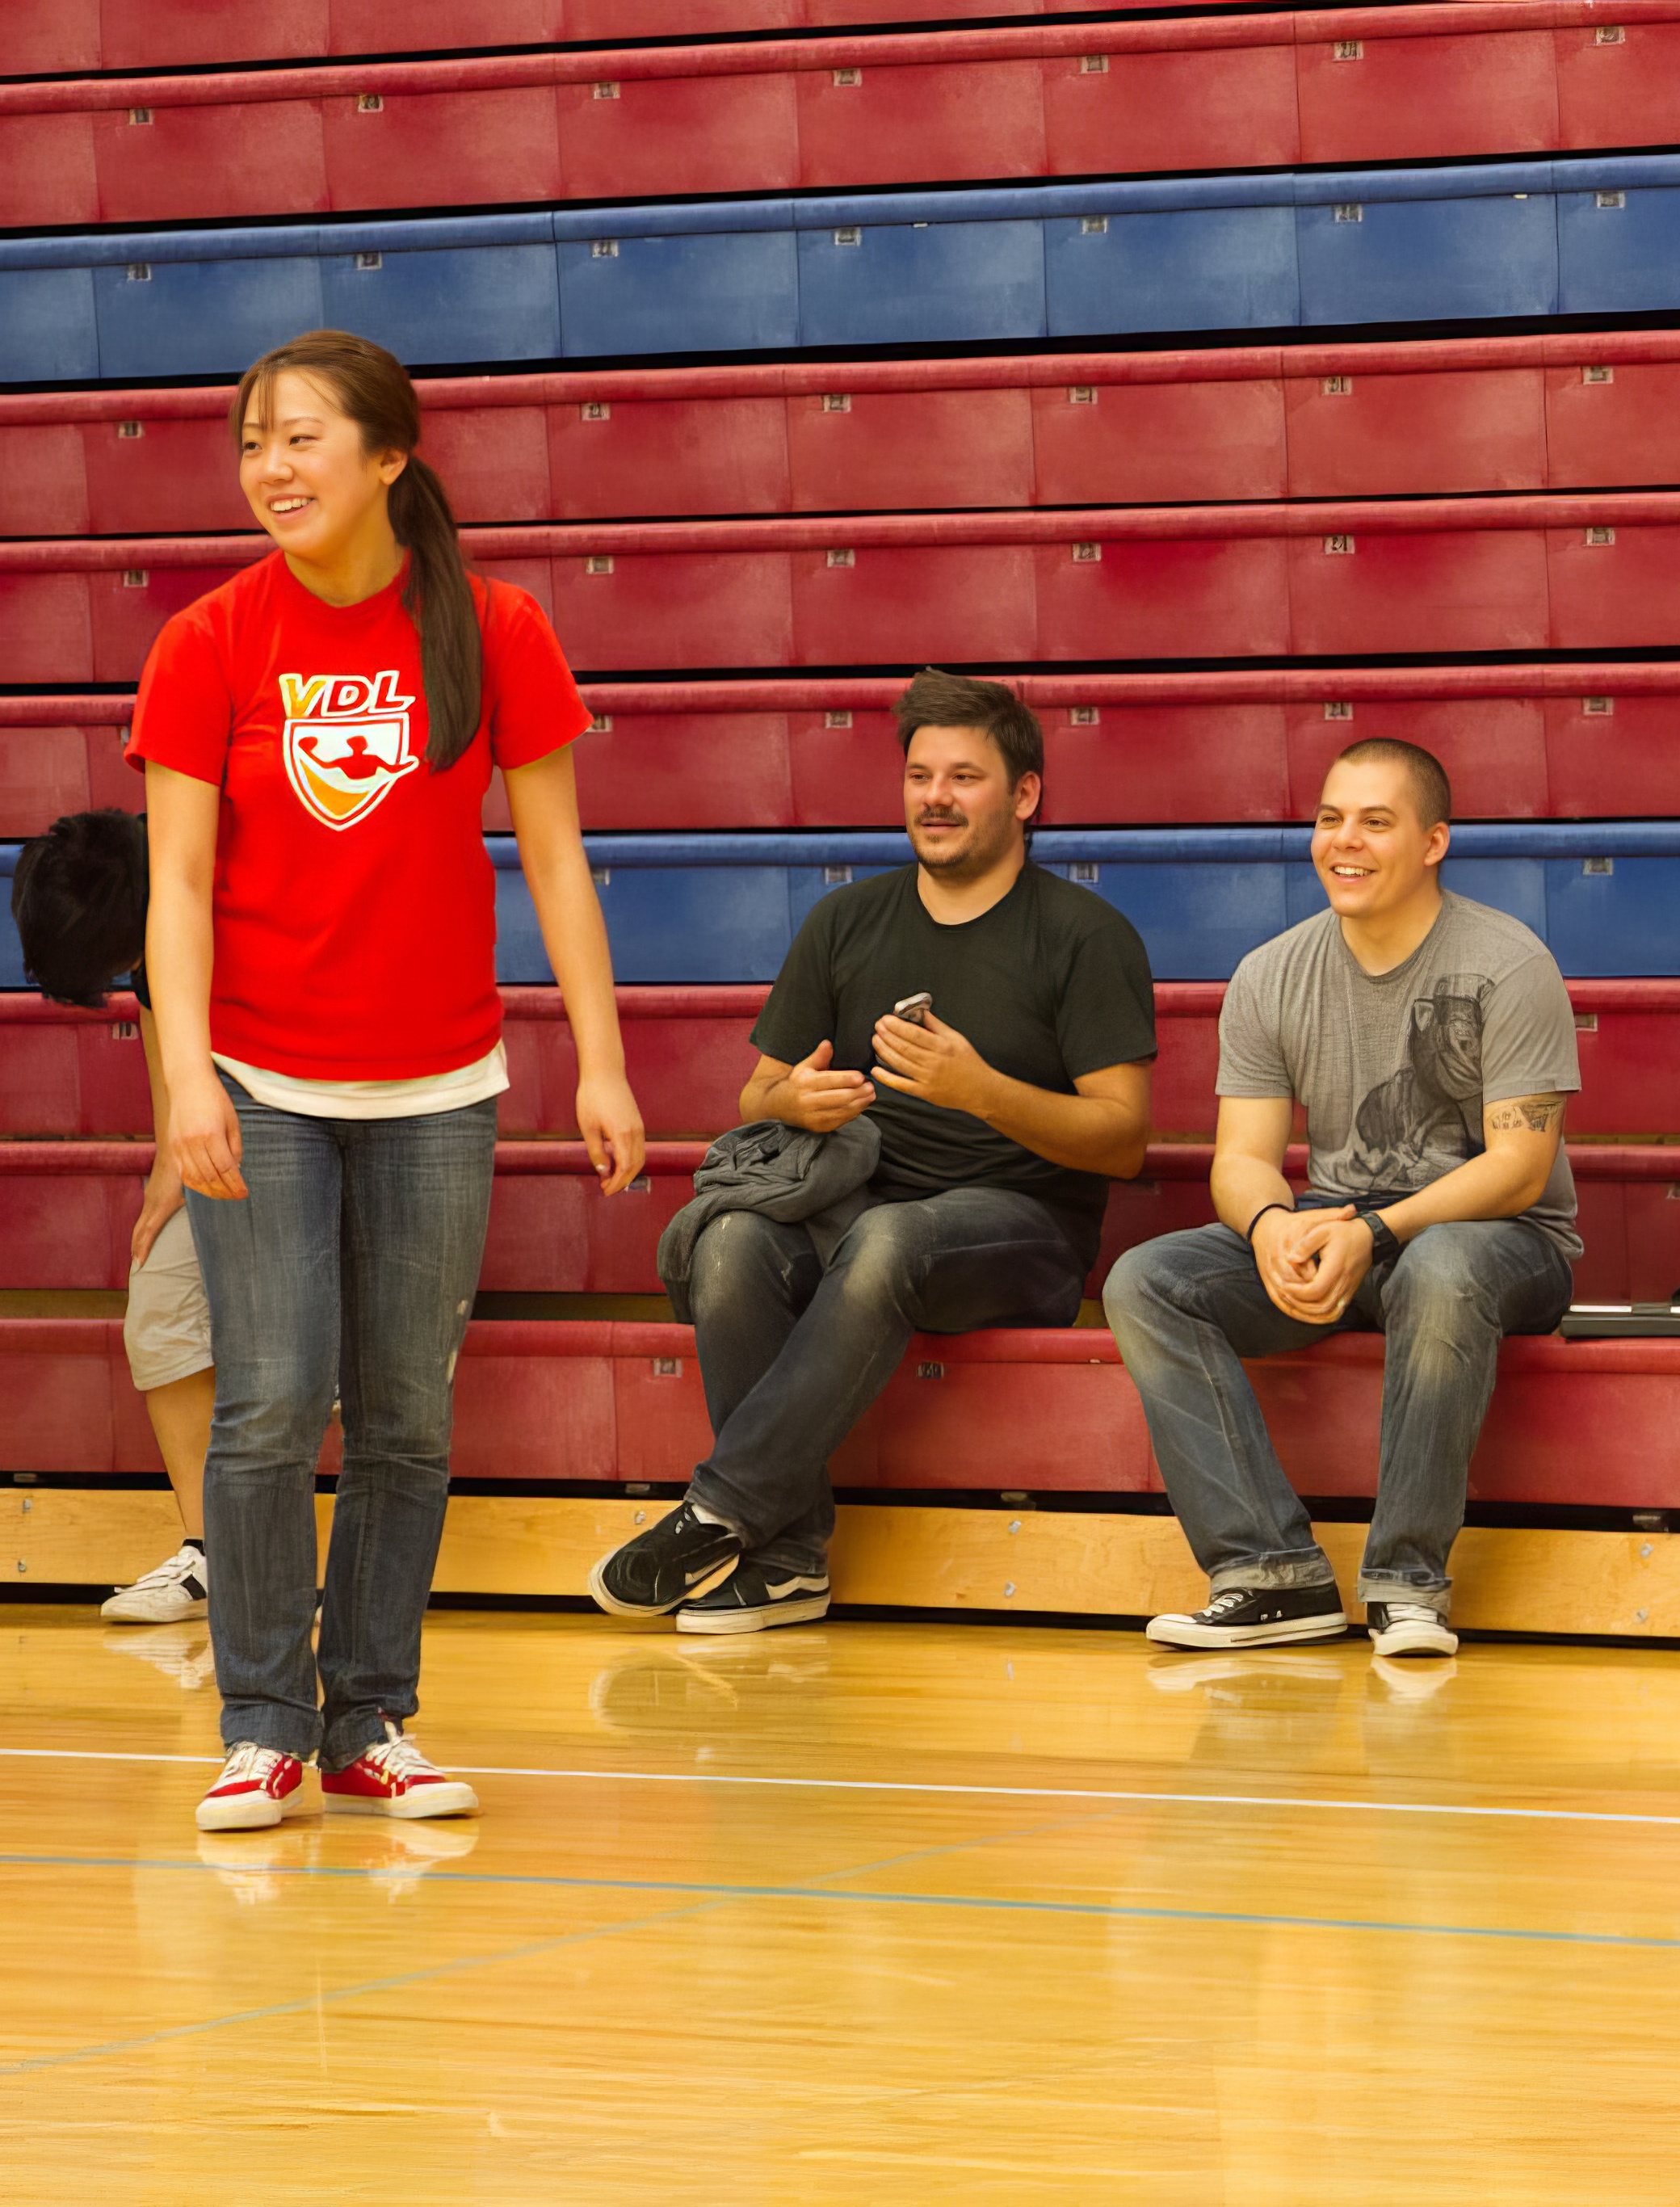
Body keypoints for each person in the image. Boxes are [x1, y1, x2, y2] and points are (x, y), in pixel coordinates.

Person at [132, 330, 645, 1832]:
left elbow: (555, 857)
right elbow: (174, 883)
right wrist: (185, 1079)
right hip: (260, 1071)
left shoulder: (493, 628)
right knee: (273, 1403)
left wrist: (600, 1062)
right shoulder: (209, 639)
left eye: (299, 439)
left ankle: (370, 1718)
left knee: (409, 1414)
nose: (271, 469)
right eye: (252, 444)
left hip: (440, 1081)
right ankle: (261, 1723)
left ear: (389, 458)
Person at [589, 671, 1155, 1634]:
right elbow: (756, 1093)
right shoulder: (846, 920)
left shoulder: (1084, 934)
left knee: (890, 1237)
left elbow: (1124, 1138)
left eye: (965, 776)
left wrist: (980, 1090)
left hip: (1019, 1230)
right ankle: (787, 1559)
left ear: (1024, 795)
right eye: (919, 774)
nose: (935, 796)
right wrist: (797, 1102)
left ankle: (723, 1505)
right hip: (857, 1210)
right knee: (730, 1241)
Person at [1101, 738, 1577, 1659]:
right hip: (1342, 1225)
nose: (1342, 841)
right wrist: (1273, 1223)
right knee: (1148, 1278)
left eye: (1374, 821)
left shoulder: (1509, 962)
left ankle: (1407, 1586)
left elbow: (1520, 1166)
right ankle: (1270, 1573)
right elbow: (1239, 1158)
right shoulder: (1272, 972)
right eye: (1329, 818)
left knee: (1439, 1266)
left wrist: (1374, 1227)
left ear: (1434, 842)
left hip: (1501, 1241)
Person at [10, 808, 216, 1625]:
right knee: (160, 1305)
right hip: (223, 1133)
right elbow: (169, 1044)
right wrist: (171, 1161)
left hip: (324, 1124)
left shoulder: (212, 868)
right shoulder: (140, 903)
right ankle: (211, 1553)